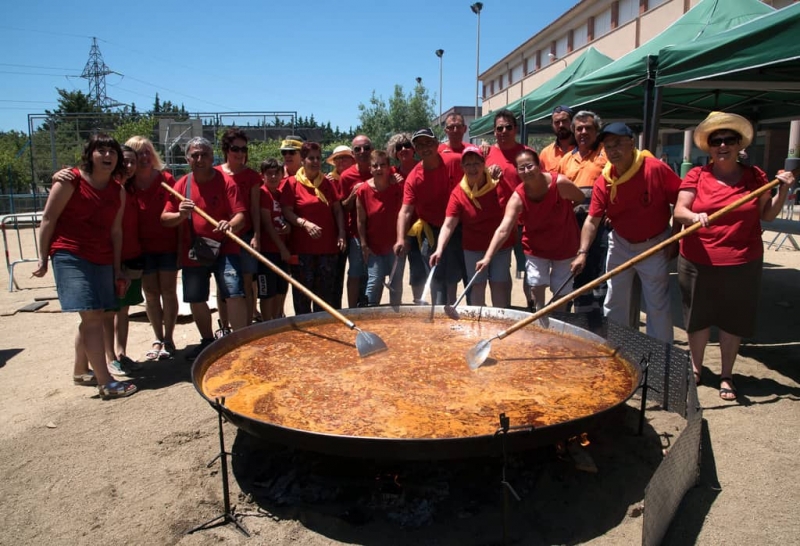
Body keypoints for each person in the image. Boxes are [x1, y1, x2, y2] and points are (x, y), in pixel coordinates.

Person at [673, 112, 795, 400]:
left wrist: (783, 189)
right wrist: (693, 216)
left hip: (742, 259)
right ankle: (695, 368)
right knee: (697, 318)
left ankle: (727, 375)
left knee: (732, 319)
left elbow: (767, 214)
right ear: (709, 147)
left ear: (740, 144)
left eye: (729, 139)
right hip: (698, 258)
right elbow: (679, 210)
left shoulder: (756, 177)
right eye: (717, 140)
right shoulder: (697, 174)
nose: (723, 145)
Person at [33, 133, 137, 399]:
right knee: (91, 315)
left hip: (102, 257)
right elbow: (48, 219)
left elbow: (116, 232)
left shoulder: (118, 192)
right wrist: (42, 257)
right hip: (70, 254)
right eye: (101, 150)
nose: (107, 156)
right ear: (90, 154)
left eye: (112, 152)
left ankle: (81, 370)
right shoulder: (70, 181)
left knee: (97, 314)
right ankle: (106, 382)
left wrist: (116, 269)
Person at [571, 123, 682, 344]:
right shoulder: (605, 180)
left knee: (656, 303)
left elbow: (680, 200)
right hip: (620, 243)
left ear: (632, 143)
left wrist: (674, 238)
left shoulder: (655, 168)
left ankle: (660, 353)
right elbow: (592, 220)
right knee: (614, 300)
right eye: (608, 146)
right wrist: (582, 252)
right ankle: (617, 347)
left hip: (654, 243)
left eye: (618, 144)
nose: (613, 150)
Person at [161, 137, 248, 360]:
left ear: (212, 157)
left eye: (204, 154)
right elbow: (164, 218)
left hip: (226, 247)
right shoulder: (182, 185)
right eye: (195, 155)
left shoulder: (226, 182)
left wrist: (230, 224)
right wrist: (180, 214)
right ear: (188, 158)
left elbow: (240, 215)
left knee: (235, 293)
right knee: (196, 297)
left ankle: (240, 343)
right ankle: (208, 342)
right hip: (195, 249)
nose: (200, 159)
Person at [480, 149, 584, 312]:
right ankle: (539, 313)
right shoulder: (518, 197)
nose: (526, 171)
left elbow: (579, 198)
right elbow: (503, 229)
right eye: (521, 168)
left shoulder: (560, 184)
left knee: (562, 290)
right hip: (535, 247)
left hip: (565, 244)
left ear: (539, 166)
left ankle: (558, 318)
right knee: (536, 285)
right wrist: (487, 257)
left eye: (529, 166)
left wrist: (566, 212)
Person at [431, 146, 513, 307]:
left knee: (499, 285)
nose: (472, 168)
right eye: (468, 164)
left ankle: (501, 326)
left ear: (484, 164)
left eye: (476, 163)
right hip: (474, 246)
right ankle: (479, 326)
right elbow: (449, 224)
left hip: (500, 245)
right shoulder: (458, 193)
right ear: (462, 167)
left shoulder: (498, 182)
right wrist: (439, 248)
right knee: (477, 285)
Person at [394, 128, 463, 304]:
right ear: (415, 150)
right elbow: (405, 210)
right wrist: (400, 238)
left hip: (457, 228)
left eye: (428, 143)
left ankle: (451, 309)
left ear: (437, 144)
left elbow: (477, 169)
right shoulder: (413, 177)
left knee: (454, 277)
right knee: (435, 276)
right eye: (420, 145)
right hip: (430, 230)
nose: (425, 148)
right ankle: (439, 312)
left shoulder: (456, 162)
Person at [125, 136, 178, 361]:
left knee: (168, 291)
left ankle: (169, 338)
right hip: (140, 248)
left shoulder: (166, 179)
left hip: (167, 245)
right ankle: (157, 337)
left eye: (147, 152)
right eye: (138, 154)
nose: (144, 157)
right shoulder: (127, 184)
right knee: (151, 293)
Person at [280, 142, 347, 314]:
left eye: (318, 158)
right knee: (303, 296)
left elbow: (337, 209)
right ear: (302, 160)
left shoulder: (327, 183)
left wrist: (341, 233)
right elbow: (287, 211)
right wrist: (304, 223)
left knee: (324, 296)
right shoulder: (291, 183)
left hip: (327, 249)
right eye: (311, 158)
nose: (315, 161)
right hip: (302, 251)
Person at [557, 110, 608, 317]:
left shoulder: (606, 155)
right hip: (574, 227)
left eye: (588, 128)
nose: (583, 132)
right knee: (577, 273)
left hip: (602, 225)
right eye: (579, 128)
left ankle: (601, 322)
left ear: (597, 131)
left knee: (600, 273)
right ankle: (580, 319)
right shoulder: (566, 160)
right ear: (573, 132)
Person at [104, 145, 146, 374]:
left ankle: (121, 353)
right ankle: (109, 357)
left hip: (132, 256)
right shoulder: (109, 187)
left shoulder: (131, 189)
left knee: (124, 309)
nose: (129, 166)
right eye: (126, 161)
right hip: (111, 259)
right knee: (107, 312)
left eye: (133, 162)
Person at [215, 129, 262, 327]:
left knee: (247, 281)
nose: (240, 153)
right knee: (222, 284)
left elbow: (254, 208)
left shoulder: (252, 176)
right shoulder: (215, 174)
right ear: (226, 149)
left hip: (245, 235)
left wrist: (257, 235)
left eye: (243, 149)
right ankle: (225, 326)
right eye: (235, 148)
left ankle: (248, 322)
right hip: (222, 236)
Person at [485, 110, 533, 300]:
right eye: (499, 128)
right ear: (494, 132)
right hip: (499, 225)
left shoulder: (528, 154)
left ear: (515, 129)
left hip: (526, 223)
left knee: (531, 272)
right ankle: (505, 312)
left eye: (508, 127)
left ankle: (531, 308)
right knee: (501, 275)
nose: (504, 131)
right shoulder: (486, 154)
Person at [356, 150, 405, 306]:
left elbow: (405, 213)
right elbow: (361, 220)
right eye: (375, 166)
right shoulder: (363, 190)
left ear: (389, 167)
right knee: (375, 280)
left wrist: (402, 239)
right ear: (370, 169)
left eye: (383, 165)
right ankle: (369, 312)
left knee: (396, 283)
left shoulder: (397, 186)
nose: (379, 169)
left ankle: (396, 317)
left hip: (395, 245)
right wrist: (363, 245)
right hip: (374, 246)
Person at [339, 135, 373, 307]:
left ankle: (369, 310)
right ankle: (352, 310)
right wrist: (353, 195)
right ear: (353, 153)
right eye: (358, 149)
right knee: (355, 273)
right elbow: (343, 206)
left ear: (372, 150)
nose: (362, 152)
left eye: (366, 148)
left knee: (373, 275)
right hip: (355, 233)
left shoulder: (379, 169)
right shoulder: (346, 176)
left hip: (376, 232)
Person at [256, 158, 292, 321]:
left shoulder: (279, 194)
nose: (273, 177)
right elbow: (267, 223)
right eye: (269, 174)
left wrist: (288, 228)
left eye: (276, 173)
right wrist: (281, 247)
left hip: (282, 250)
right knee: (267, 291)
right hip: (268, 250)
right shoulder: (263, 193)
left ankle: (277, 318)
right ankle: (266, 321)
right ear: (262, 176)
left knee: (281, 288)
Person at [325, 145, 355, 309]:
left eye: (344, 157)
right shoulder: (329, 181)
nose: (341, 161)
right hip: (338, 232)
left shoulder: (360, 176)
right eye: (337, 158)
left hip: (357, 231)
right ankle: (334, 308)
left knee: (357, 273)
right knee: (335, 273)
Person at [539, 105, 576, 171]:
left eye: (564, 121)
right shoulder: (546, 153)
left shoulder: (583, 149)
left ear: (572, 122)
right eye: (557, 122)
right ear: (552, 125)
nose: (561, 125)